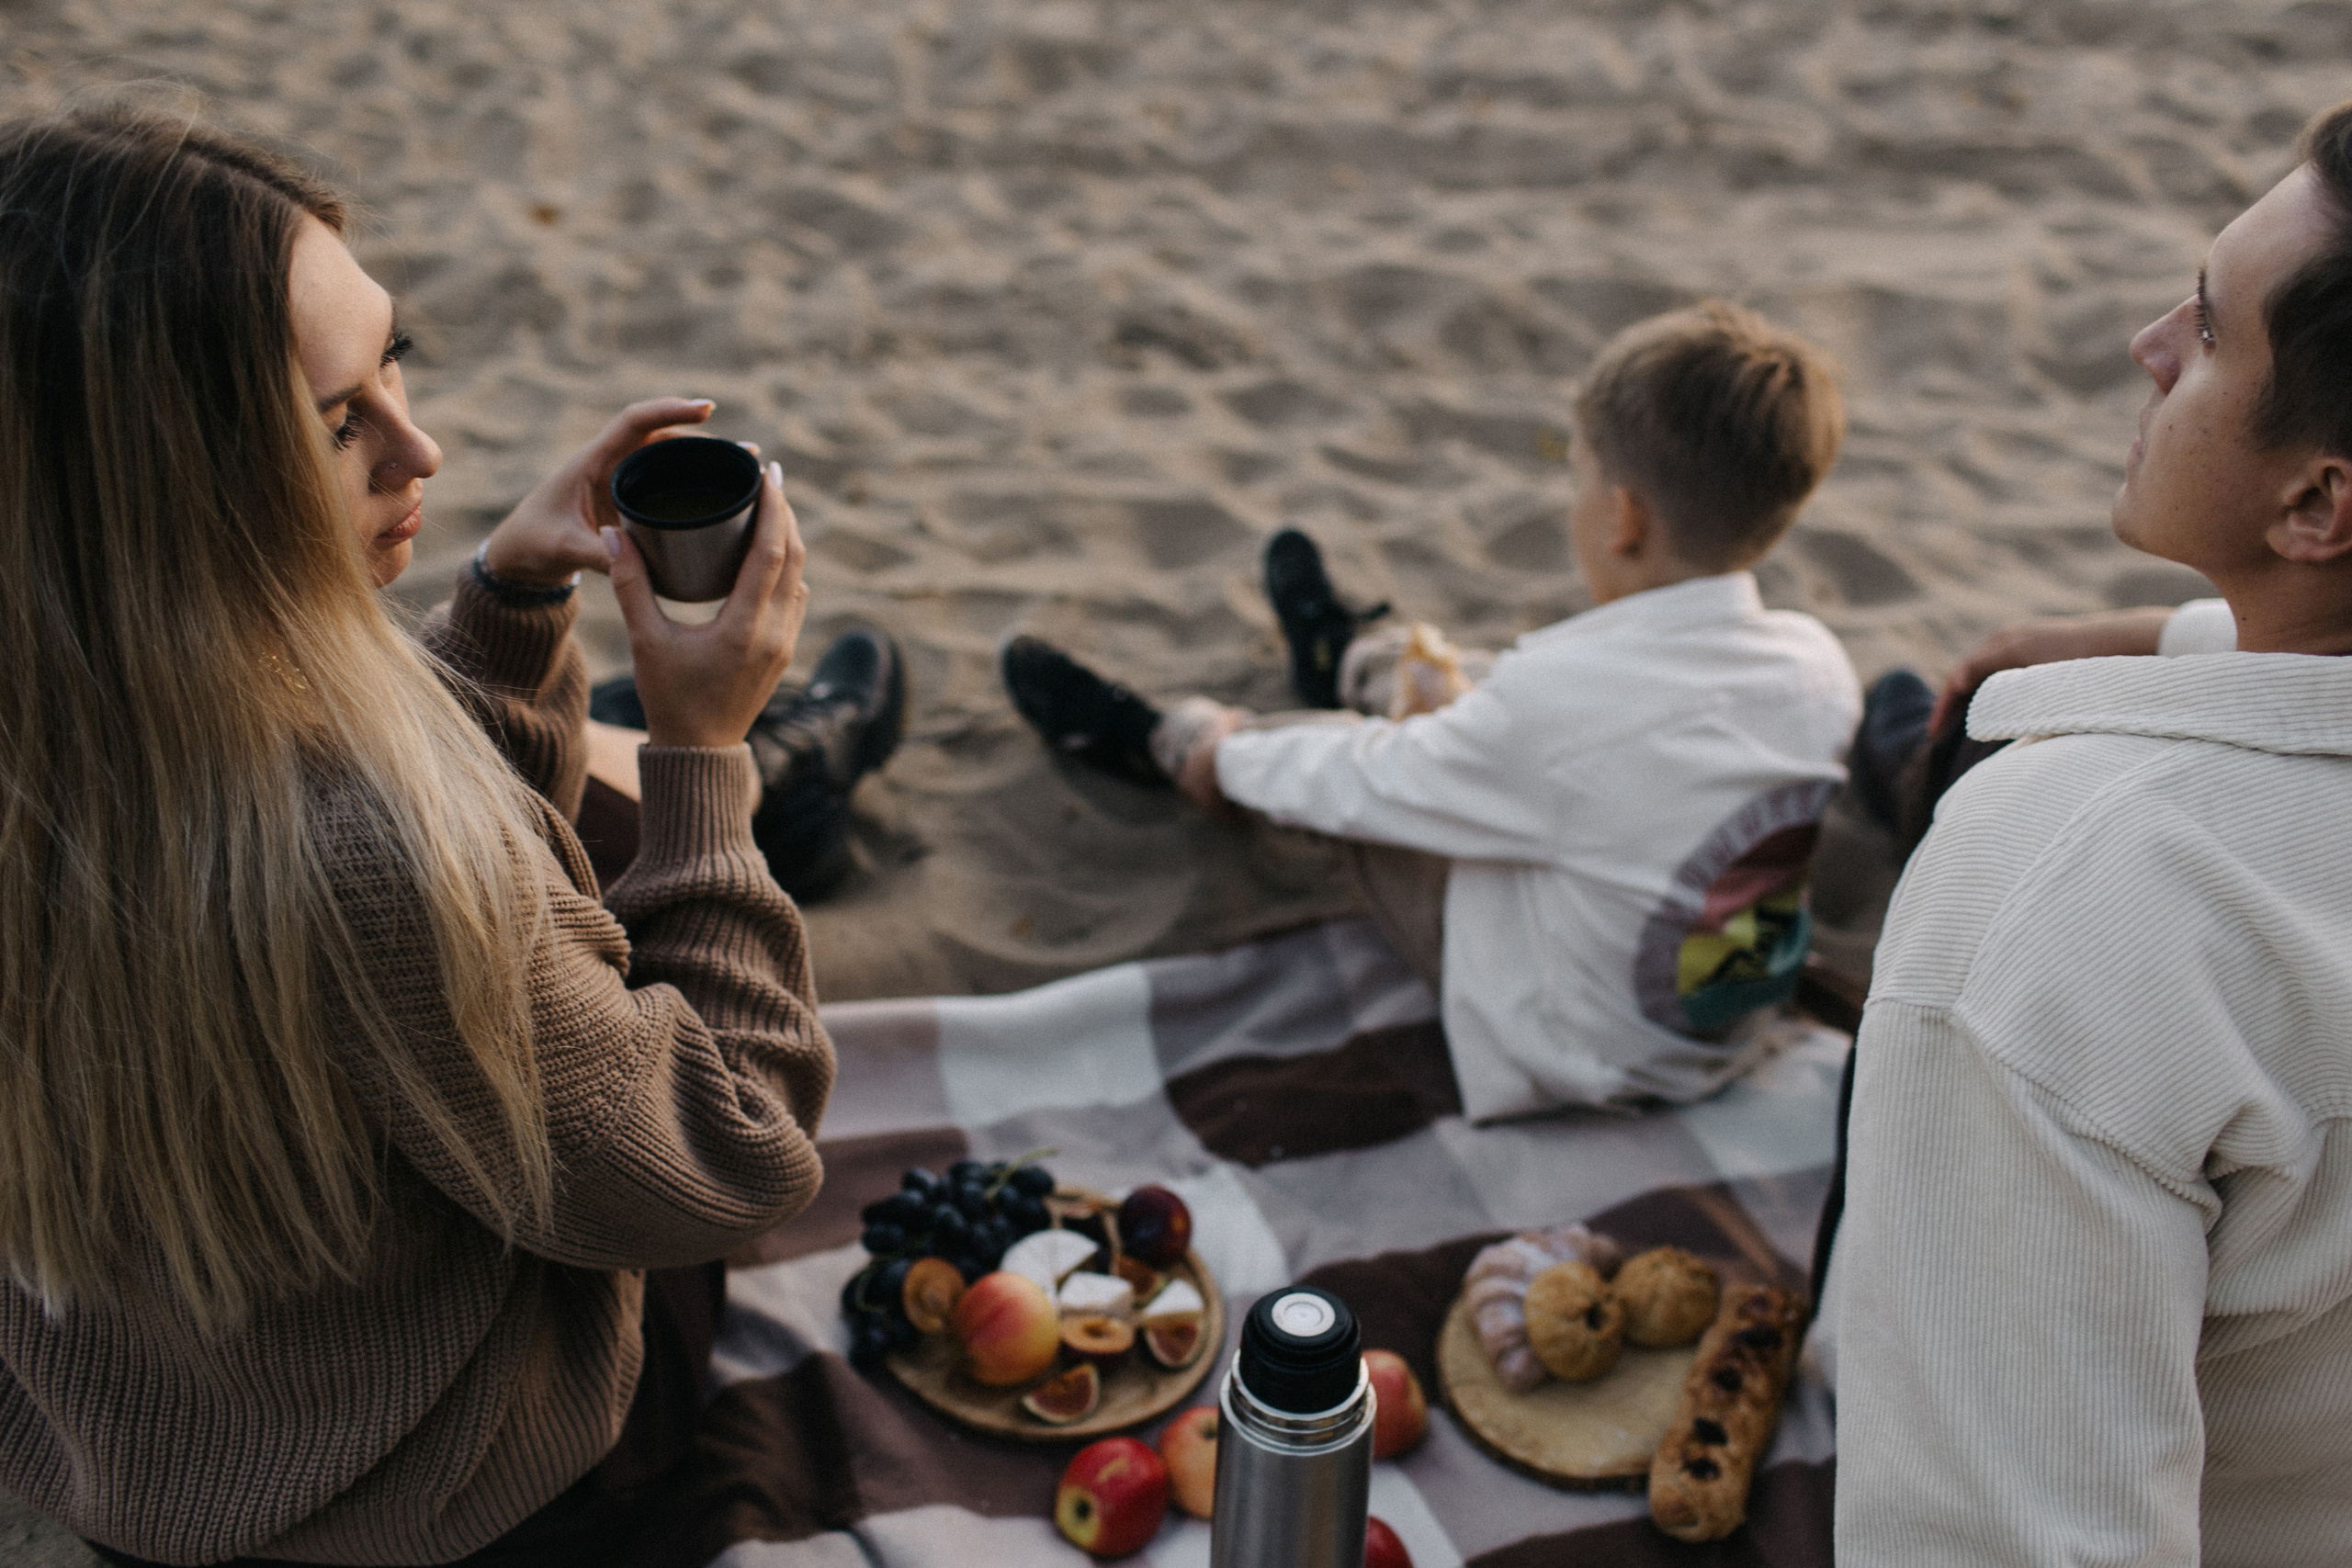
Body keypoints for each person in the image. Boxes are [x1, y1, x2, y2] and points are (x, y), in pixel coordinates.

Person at [0, 107, 836, 1565]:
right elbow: (731, 1152)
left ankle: (778, 759)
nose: (420, 444)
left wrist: (505, 609)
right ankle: (792, 767)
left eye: (397, 359)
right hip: (460, 1497)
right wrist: (714, 752)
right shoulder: (365, 852)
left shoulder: (75, 723)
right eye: (340, 420)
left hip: (155, 1464)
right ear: (169, 492)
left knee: (600, 786)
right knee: (652, 794)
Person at [1831, 99, 2352, 1565]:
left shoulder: (2064, 892)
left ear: (2319, 501)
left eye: (2207, 321)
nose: (2149, 343)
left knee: (1905, 738)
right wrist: (2168, 634)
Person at [1002, 302, 1863, 1122]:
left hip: (1584, 1050)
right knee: (1479, 700)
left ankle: (1171, 740)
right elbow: (1598, 737)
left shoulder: (1556, 708)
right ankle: (1351, 655)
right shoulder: (1822, 670)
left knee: (1373, 756)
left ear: (1624, 518)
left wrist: (1224, 756)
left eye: (1580, 479)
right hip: (1719, 1027)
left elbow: (1372, 779)